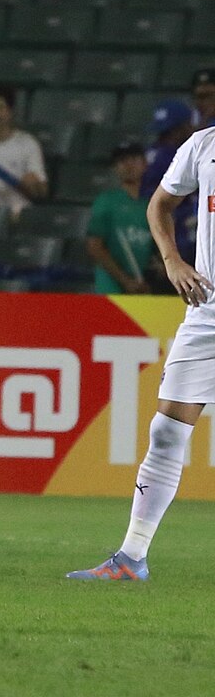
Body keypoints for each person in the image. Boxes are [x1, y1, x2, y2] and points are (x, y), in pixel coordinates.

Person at [67, 124, 215, 581]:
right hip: (208, 312)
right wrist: (172, 260)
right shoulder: (203, 144)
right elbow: (161, 205)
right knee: (167, 432)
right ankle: (131, 558)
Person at [86, 141, 154, 295]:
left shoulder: (150, 205)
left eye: (134, 159)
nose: (128, 165)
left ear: (144, 164)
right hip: (110, 288)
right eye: (122, 161)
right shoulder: (106, 202)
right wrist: (125, 281)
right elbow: (95, 247)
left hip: (141, 286)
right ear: (115, 168)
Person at [141, 100, 196, 273]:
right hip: (173, 229)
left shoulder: (152, 151)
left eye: (170, 132)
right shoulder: (171, 154)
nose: (166, 138)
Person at [0, 84, 48, 221]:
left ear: (10, 111)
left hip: (16, 214)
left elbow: (42, 190)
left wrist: (33, 184)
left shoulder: (27, 144)